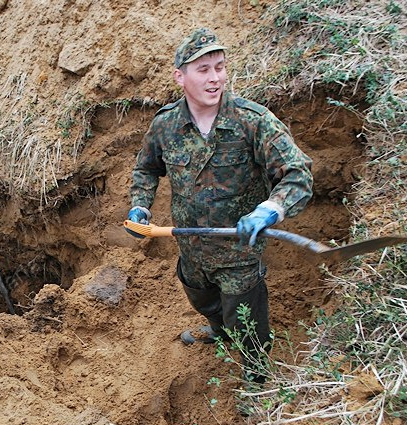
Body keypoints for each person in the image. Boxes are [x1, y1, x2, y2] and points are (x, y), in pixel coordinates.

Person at [127, 28, 313, 383]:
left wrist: (271, 209)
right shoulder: (166, 125)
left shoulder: (252, 121)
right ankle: (219, 330)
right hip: (192, 245)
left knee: (247, 319)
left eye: (220, 67)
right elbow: (146, 168)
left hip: (239, 249)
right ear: (180, 76)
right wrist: (141, 206)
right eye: (203, 69)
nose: (215, 78)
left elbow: (298, 174)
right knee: (202, 298)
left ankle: (256, 379)